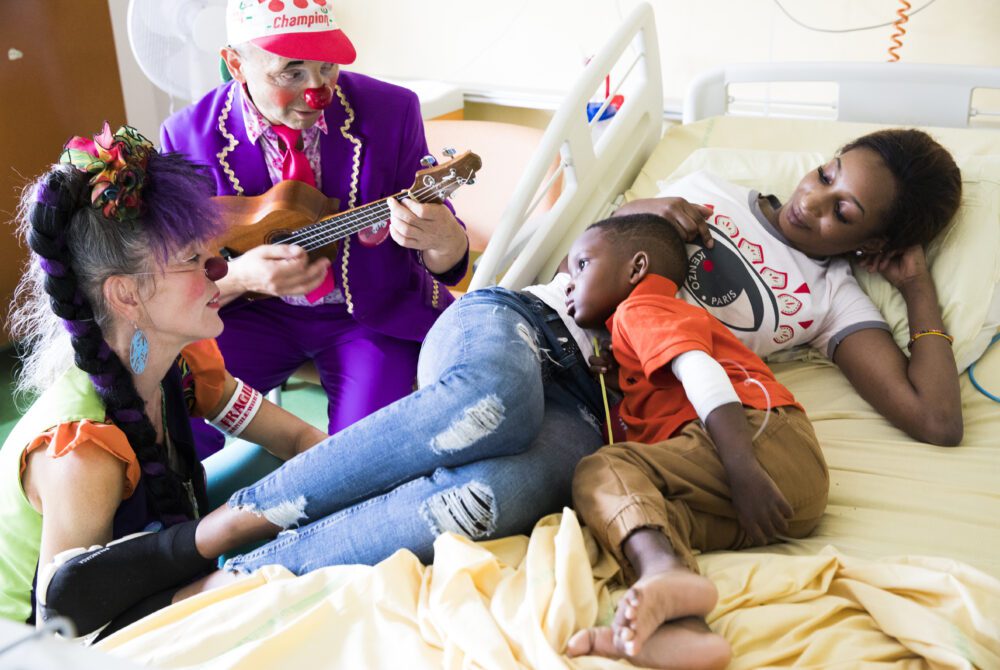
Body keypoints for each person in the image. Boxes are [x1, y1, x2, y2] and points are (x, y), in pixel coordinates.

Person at [1, 124, 329, 637]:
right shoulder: (80, 454)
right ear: (126, 296)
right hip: (34, 645)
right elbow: (71, 631)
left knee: (276, 460)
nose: (222, 271)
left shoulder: (182, 364)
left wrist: (362, 473)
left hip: (143, 569)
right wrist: (211, 591)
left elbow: (293, 437)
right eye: (193, 262)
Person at [161, 0, 470, 458]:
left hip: (368, 316)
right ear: (235, 64)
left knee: (363, 457)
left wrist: (445, 238)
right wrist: (243, 276)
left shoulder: (391, 111)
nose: (316, 91)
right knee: (170, 422)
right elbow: (174, 274)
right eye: (291, 73)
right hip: (247, 318)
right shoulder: (187, 137)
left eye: (328, 67)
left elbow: (448, 265)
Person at [561, 214, 829, 670]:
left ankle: (660, 574)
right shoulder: (638, 330)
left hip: (756, 446)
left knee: (602, 469)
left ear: (636, 268)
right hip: (774, 501)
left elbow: (703, 372)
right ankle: (683, 629)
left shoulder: (641, 310)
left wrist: (744, 470)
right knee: (652, 520)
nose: (569, 285)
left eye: (581, 265)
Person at [615, 129, 963, 446]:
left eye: (842, 212)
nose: (811, 202)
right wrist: (642, 211)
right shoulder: (707, 190)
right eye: (825, 176)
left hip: (629, 403)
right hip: (572, 337)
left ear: (873, 244)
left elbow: (937, 420)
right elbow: (582, 262)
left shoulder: (831, 299)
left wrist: (917, 288)